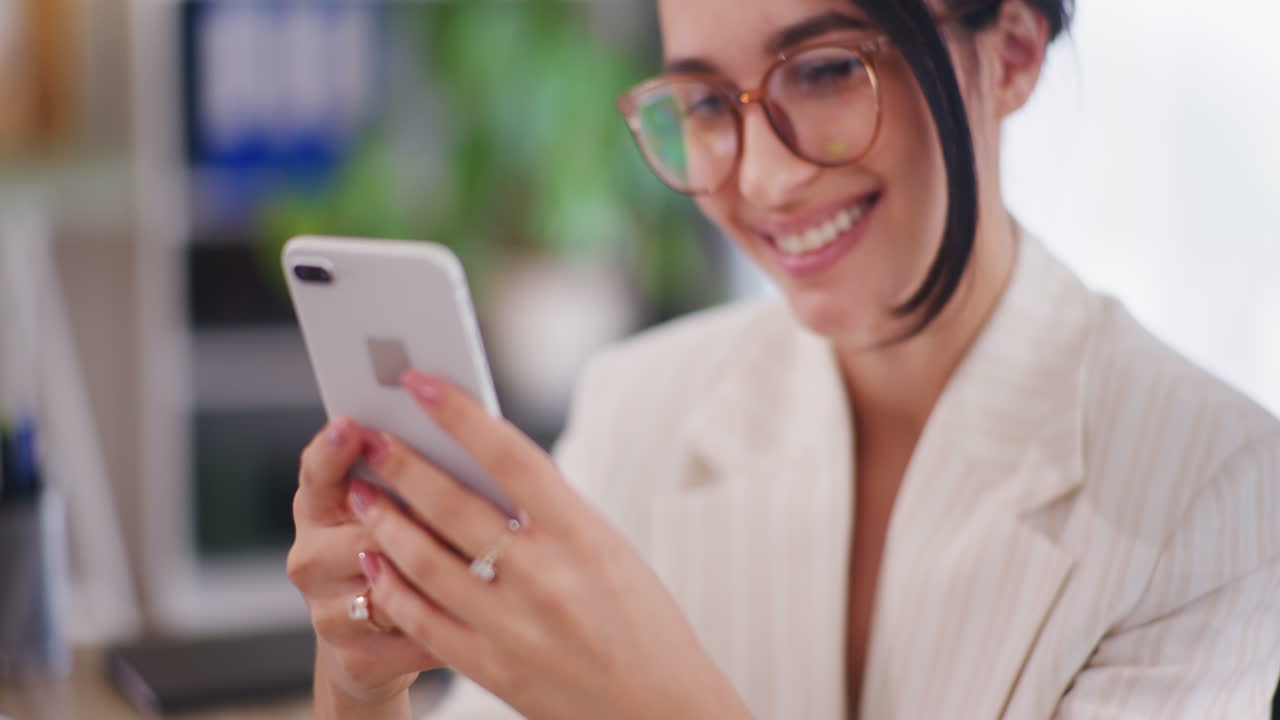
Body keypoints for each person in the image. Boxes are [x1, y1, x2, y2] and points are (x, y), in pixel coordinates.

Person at [286, 0, 1280, 717]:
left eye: (825, 70)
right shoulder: (640, 404)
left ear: (1011, 53)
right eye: (703, 102)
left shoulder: (1217, 487)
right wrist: (362, 687)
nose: (761, 180)